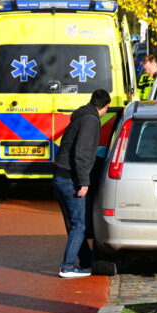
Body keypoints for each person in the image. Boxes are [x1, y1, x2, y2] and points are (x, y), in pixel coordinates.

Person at [52, 89, 111, 278]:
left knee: (74, 223)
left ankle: (86, 261)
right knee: (79, 224)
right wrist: (84, 182)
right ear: (105, 106)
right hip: (71, 178)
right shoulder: (91, 120)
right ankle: (67, 266)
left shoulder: (80, 116)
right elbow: (82, 153)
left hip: (60, 174)